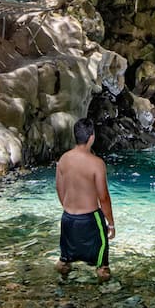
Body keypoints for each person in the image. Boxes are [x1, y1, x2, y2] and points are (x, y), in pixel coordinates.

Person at [55, 118, 116, 281]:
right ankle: (102, 298)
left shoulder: (63, 159)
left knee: (64, 261)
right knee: (102, 266)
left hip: (68, 218)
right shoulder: (97, 163)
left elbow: (59, 189)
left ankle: (61, 291)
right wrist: (111, 223)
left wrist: (68, 208)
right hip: (90, 220)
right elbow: (103, 197)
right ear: (92, 137)